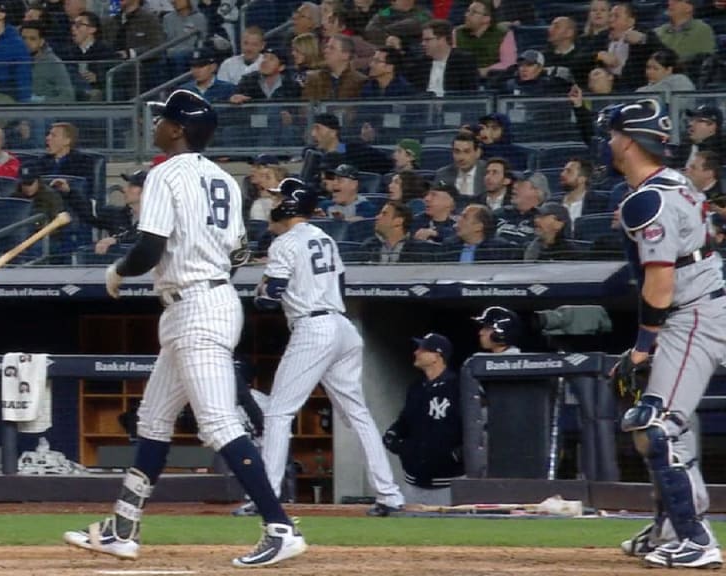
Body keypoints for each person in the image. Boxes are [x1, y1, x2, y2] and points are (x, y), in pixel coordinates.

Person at [64, 90, 307, 568]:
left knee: (219, 424)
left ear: (178, 130)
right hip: (202, 300)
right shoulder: (225, 179)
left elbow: (149, 249)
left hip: (197, 305)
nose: (157, 126)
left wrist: (118, 270)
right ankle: (122, 528)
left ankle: (280, 527)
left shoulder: (164, 173)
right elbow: (238, 255)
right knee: (153, 421)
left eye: (163, 121)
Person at [230, 177, 405, 518]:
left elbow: (269, 300)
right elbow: (338, 284)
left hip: (313, 328)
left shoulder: (285, 243)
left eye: (279, 197)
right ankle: (390, 494)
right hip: (342, 326)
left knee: (278, 413)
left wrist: (261, 287)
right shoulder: (325, 238)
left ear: (290, 204)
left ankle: (266, 496)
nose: (273, 202)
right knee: (359, 414)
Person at [600, 98, 725, 569]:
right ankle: (669, 528)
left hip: (693, 314)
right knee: (659, 427)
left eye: (614, 135)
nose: (609, 142)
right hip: (702, 306)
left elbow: (660, 283)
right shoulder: (676, 184)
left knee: (655, 426)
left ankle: (696, 540)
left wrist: (641, 348)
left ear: (629, 141)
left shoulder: (647, 199)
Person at [384, 332, 463, 506]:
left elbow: (474, 428)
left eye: (422, 349)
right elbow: (405, 421)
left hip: (448, 484)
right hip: (413, 482)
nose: (416, 352)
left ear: (436, 356)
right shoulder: (416, 388)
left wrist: (456, 454)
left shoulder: (458, 387)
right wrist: (394, 436)